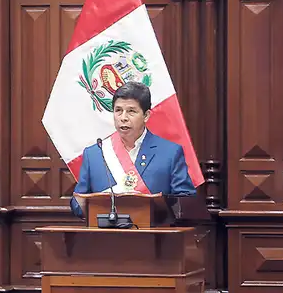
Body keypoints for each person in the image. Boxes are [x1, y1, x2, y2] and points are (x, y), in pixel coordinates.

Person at [71, 81, 195, 217]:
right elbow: (78, 204)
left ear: (146, 115)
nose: (123, 118)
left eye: (131, 111)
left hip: (154, 234)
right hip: (106, 235)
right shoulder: (95, 153)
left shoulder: (170, 152)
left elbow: (185, 201)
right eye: (118, 111)